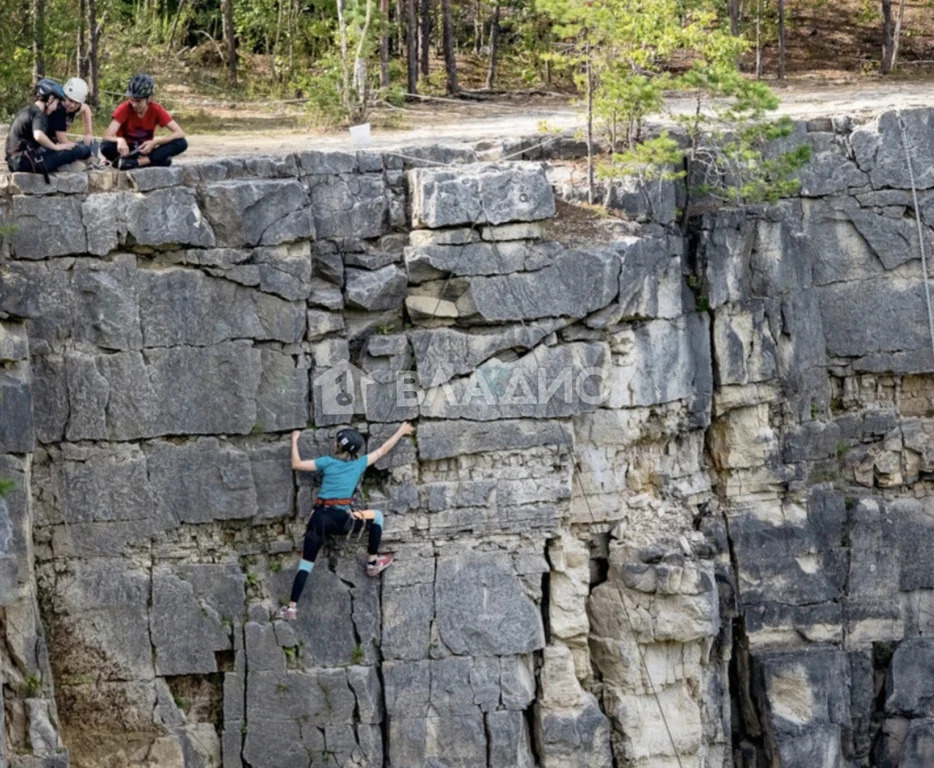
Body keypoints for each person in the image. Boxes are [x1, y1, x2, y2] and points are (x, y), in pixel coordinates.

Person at [277, 423, 415, 621]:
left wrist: (294, 440)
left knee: (305, 565)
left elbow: (296, 464)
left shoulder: (326, 462)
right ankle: (372, 563)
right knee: (377, 516)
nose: (333, 442)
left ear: (339, 446)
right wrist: (401, 431)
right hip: (342, 521)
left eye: (336, 441)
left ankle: (291, 608)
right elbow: (383, 450)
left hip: (319, 520)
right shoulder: (359, 464)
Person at [5, 78, 91, 175]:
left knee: (68, 149)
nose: (55, 107)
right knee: (78, 150)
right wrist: (56, 147)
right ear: (50, 99)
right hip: (25, 162)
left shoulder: (29, 110)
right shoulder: (39, 114)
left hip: (15, 161)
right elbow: (38, 135)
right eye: (56, 102)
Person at [101, 73, 187, 170]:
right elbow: (106, 136)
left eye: (138, 101)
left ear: (149, 99)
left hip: (145, 149)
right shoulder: (124, 108)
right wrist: (119, 140)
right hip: (126, 150)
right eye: (132, 100)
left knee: (181, 143)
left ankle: (137, 163)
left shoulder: (156, 109)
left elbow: (180, 133)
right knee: (105, 146)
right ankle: (153, 161)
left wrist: (155, 142)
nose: (134, 104)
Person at [50, 77, 94, 147]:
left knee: (92, 143)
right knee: (84, 151)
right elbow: (63, 141)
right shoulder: (58, 109)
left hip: (55, 143)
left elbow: (86, 108)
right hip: (45, 146)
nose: (72, 106)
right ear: (64, 96)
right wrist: (81, 148)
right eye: (70, 100)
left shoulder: (73, 107)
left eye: (76, 103)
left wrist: (88, 133)